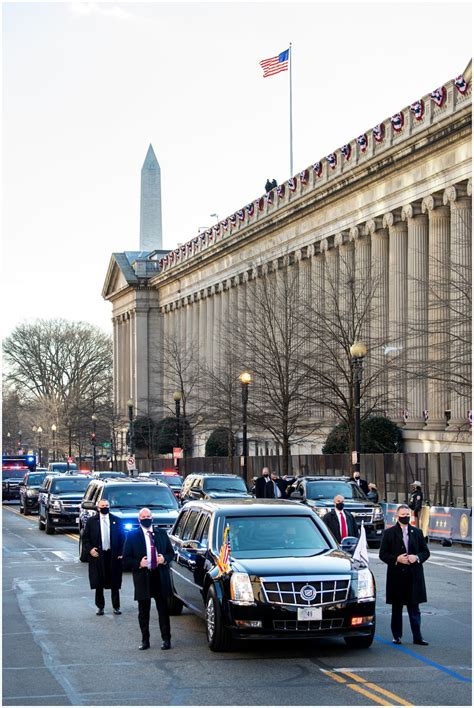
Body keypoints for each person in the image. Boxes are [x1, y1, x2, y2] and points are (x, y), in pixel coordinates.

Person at [122, 507, 174, 651]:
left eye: (148, 516)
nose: (146, 518)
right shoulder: (132, 536)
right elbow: (125, 560)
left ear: (152, 518)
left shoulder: (161, 534)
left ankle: (166, 639)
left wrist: (164, 558)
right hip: (143, 577)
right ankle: (145, 640)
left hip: (159, 576)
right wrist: (139, 563)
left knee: (163, 610)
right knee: (143, 611)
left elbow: (171, 553)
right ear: (139, 520)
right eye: (143, 517)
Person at [379, 503, 430, 646]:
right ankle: (397, 636)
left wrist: (417, 557)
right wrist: (397, 559)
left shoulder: (417, 532)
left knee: (415, 608)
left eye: (407, 515)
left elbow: (426, 552)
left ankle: (417, 636)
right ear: (397, 516)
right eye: (403, 516)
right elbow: (383, 554)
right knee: (397, 608)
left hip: (414, 575)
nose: (405, 518)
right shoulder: (389, 533)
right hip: (397, 576)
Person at [82, 499, 125, 616]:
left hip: (113, 554)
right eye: (102, 506)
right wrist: (90, 550)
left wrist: (122, 551)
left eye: (107, 505)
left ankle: (116, 606)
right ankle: (100, 607)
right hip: (98, 555)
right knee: (99, 582)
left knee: (114, 582)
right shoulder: (92, 521)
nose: (105, 507)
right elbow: (85, 539)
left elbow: (123, 537)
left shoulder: (116, 520)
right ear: (98, 508)